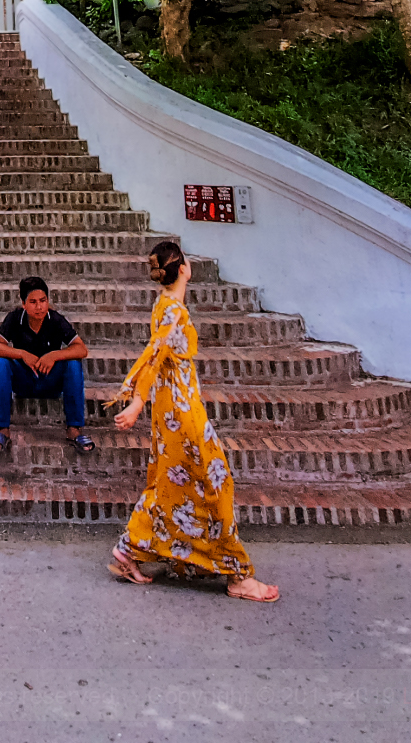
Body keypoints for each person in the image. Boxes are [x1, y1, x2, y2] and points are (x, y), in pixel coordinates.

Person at [108, 241, 280, 603]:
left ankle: (131, 547)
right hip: (182, 413)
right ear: (184, 268)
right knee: (214, 481)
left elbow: (158, 352)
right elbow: (154, 355)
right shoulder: (173, 311)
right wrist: (137, 401)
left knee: (171, 482)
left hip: (173, 409)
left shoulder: (165, 305)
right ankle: (237, 575)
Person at [0, 276, 94, 454]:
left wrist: (54, 355)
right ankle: (2, 430)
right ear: (24, 304)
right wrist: (22, 354)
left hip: (50, 381)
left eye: (43, 301)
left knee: (73, 364)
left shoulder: (56, 319)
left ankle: (74, 430)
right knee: (2, 363)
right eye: (33, 302)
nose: (39, 307)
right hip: (24, 380)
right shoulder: (15, 318)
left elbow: (81, 349)